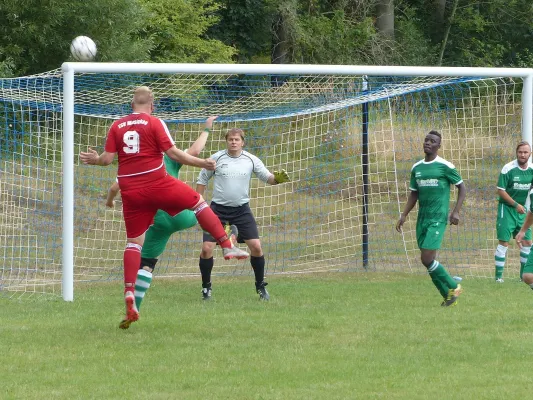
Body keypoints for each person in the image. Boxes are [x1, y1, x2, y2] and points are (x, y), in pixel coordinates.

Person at [79, 86, 249, 329]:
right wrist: (203, 160)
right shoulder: (155, 123)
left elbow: (106, 160)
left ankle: (130, 293)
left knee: (135, 244)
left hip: (133, 193)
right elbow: (175, 153)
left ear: (130, 104)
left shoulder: (116, 126)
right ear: (153, 104)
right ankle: (226, 244)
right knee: (199, 203)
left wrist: (95, 161)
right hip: (160, 189)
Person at [105, 116, 237, 329]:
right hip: (180, 214)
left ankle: (133, 307)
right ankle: (227, 238)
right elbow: (193, 152)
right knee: (202, 210)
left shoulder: (133, 168)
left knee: (146, 262)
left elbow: (113, 188)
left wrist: (110, 202)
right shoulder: (166, 158)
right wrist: (206, 128)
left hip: (157, 222)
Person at [196, 127, 290, 301]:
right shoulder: (216, 158)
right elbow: (202, 179)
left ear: (242, 142)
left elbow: (267, 178)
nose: (233, 142)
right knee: (206, 248)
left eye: (237, 139)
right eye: (230, 139)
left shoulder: (251, 160)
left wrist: (277, 179)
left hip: (241, 211)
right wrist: (199, 203)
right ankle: (206, 288)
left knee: (256, 247)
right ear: (226, 141)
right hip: (217, 211)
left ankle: (261, 287)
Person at [396, 130, 466, 307]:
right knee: (428, 261)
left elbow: (462, 188)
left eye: (432, 141)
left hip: (438, 218)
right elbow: (414, 194)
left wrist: (455, 211)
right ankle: (448, 296)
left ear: (438, 146)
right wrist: (404, 215)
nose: (428, 143)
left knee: (426, 258)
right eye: (426, 140)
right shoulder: (417, 168)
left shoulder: (445, 166)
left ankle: (453, 285)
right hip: (422, 219)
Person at [494, 141, 533, 282]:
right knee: (504, 242)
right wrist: (516, 204)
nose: (522, 155)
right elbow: (500, 190)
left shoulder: (532, 170)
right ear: (516, 153)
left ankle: (522, 278)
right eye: (520, 152)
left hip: (522, 211)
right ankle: (498, 278)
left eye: (525, 152)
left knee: (527, 242)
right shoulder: (508, 168)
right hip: (507, 209)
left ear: (530, 154)